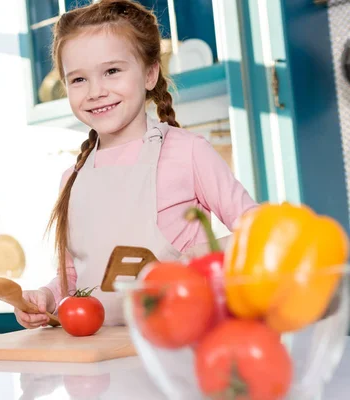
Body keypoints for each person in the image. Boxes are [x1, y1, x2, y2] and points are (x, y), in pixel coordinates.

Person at [15, 0, 257, 329]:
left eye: (112, 71)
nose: (95, 91)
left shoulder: (187, 152)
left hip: (178, 345)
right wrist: (46, 296)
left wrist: (196, 257)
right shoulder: (72, 178)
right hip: (101, 357)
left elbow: (258, 231)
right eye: (78, 79)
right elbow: (73, 277)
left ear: (149, 73)